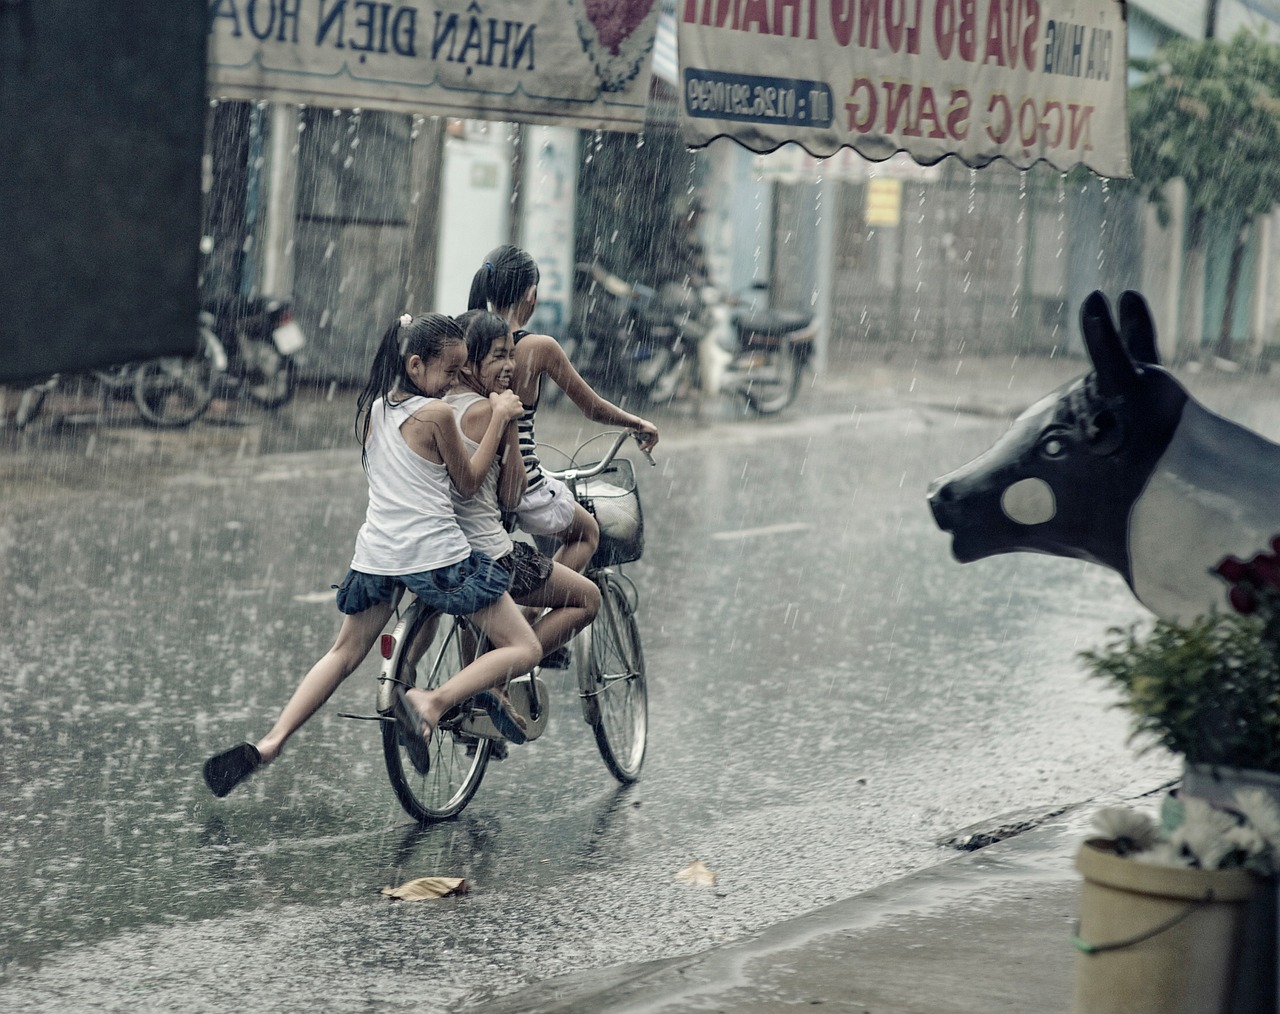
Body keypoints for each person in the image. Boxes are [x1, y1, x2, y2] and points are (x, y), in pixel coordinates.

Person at [202, 312, 544, 798]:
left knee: (342, 654)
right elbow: (468, 484)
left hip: (378, 556)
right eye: (448, 372)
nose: (452, 384)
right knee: (525, 647)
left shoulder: (374, 411)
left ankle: (271, 742)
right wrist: (504, 418)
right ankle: (432, 701)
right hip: (437, 557)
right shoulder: (438, 416)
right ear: (415, 364)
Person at [467, 245, 659, 574]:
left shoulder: (466, 336)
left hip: (474, 475)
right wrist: (637, 422)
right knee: (587, 534)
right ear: (532, 295)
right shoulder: (538, 347)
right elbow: (593, 407)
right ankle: (533, 620)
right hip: (519, 480)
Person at [447, 309, 601, 670]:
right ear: (469, 364)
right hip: (486, 556)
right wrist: (510, 423)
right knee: (587, 599)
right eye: (498, 356)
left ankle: (477, 692)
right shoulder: (490, 411)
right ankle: (496, 680)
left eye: (511, 355)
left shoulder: (437, 405)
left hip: (440, 548)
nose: (510, 367)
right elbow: (512, 495)